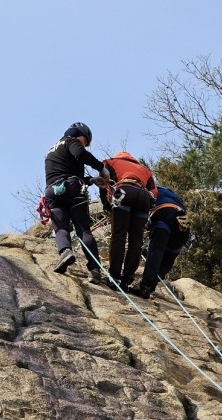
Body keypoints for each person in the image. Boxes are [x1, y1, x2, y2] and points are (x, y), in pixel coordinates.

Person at [43, 122, 109, 279]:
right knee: (83, 230)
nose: (84, 145)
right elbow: (80, 154)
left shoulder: (52, 151)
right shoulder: (71, 141)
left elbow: (63, 171)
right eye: (85, 142)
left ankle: (65, 250)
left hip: (52, 192)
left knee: (60, 228)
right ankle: (95, 269)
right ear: (80, 135)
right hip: (72, 189)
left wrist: (91, 180)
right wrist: (101, 168)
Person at [97, 151, 157, 292]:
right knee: (136, 240)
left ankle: (114, 277)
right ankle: (126, 280)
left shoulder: (110, 162)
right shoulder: (146, 170)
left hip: (124, 191)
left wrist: (107, 206)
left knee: (119, 235)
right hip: (143, 198)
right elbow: (154, 193)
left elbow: (103, 184)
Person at [136, 185, 190, 299]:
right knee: (169, 256)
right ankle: (151, 286)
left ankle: (145, 287)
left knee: (156, 251)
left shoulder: (150, 189)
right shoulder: (172, 195)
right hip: (183, 222)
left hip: (164, 214)